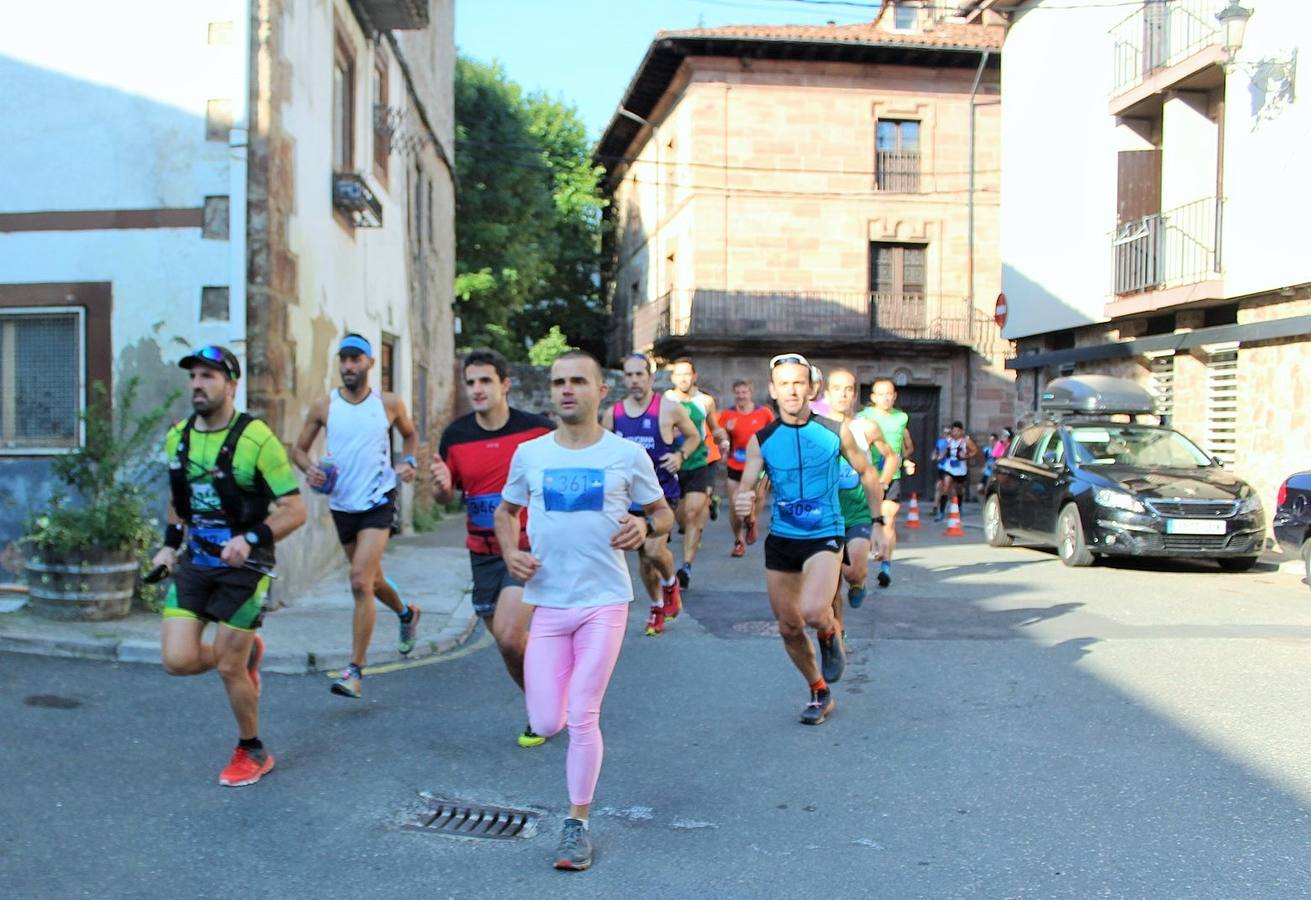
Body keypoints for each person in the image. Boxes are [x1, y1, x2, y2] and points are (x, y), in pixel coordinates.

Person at [495, 350, 674, 871]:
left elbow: (661, 513)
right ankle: (568, 718)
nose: (566, 390)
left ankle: (577, 825)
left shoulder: (625, 455)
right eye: (558, 382)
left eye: (578, 381)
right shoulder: (531, 455)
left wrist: (645, 527)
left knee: (582, 716)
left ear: (601, 391)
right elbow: (506, 513)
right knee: (546, 718)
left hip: (604, 602)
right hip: (548, 604)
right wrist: (511, 551)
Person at [152, 345, 307, 786]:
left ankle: (251, 749)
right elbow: (177, 502)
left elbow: (295, 510)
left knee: (227, 667)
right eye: (194, 376)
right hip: (197, 562)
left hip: (246, 568)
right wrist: (168, 545)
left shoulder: (256, 439)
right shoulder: (178, 437)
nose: (198, 384)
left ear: (231, 386)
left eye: (209, 376)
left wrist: (250, 538)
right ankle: (248, 652)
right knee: (177, 660)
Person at [733, 352, 887, 726]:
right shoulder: (763, 440)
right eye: (784, 383)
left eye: (798, 383)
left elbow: (867, 474)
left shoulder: (834, 432)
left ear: (811, 388)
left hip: (825, 533)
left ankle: (831, 632)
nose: (792, 390)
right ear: (773, 390)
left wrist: (879, 522)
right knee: (788, 626)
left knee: (816, 610)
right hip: (783, 538)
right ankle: (818, 690)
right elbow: (747, 489)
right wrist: (744, 508)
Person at [431, 349, 554, 747]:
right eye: (471, 383)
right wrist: (441, 490)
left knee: (506, 633)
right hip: (480, 552)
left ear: (505, 384)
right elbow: (446, 499)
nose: (477, 389)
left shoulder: (537, 431)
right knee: (509, 645)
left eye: (485, 381)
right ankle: (545, 695)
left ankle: (543, 708)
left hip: (523, 549)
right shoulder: (455, 436)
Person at [292, 334, 420, 699]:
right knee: (373, 580)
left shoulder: (389, 404)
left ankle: (354, 670)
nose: (349, 366)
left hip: (379, 500)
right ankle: (407, 614)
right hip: (341, 504)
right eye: (344, 359)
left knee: (359, 581)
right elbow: (299, 451)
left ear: (370, 364)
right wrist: (310, 469)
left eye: (355, 359)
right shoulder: (324, 406)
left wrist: (408, 461)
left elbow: (410, 437)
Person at [602, 352, 701, 636]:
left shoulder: (668, 408)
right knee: (644, 559)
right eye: (629, 375)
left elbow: (694, 436)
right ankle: (657, 605)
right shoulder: (614, 414)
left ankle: (671, 584)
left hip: (660, 494)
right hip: (627, 498)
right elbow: (601, 450)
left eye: (639, 374)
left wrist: (680, 456)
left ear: (651, 377)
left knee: (654, 549)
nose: (634, 380)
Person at [822, 370, 897, 614]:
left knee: (853, 571)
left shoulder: (867, 427)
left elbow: (891, 456)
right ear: (827, 393)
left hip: (858, 511)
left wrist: (881, 484)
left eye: (848, 389)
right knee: (830, 584)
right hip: (827, 514)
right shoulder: (818, 428)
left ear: (854, 394)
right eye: (837, 389)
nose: (843, 394)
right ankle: (837, 636)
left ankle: (858, 582)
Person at [665, 358, 728, 589]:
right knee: (681, 517)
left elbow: (714, 426)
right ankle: (704, 508)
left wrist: (723, 439)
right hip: (672, 465)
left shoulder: (705, 401)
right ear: (672, 378)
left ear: (695, 376)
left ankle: (686, 567)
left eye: (687, 374)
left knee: (692, 514)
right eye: (678, 374)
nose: (683, 378)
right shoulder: (665, 401)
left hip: (699, 462)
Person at [857, 379, 917, 590]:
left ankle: (885, 567)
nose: (886, 397)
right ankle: (860, 568)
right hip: (868, 474)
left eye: (889, 393)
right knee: (866, 522)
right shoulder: (863, 417)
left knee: (889, 520)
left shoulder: (901, 418)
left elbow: (904, 446)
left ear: (895, 396)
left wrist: (905, 459)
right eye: (881, 394)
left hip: (893, 475)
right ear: (873, 398)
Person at [718, 379, 774, 557]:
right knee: (736, 504)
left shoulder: (763, 413)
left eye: (744, 392)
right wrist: (724, 438)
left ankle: (751, 520)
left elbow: (774, 434)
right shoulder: (727, 415)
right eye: (738, 392)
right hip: (736, 463)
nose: (741, 396)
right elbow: (719, 438)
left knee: (758, 498)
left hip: (760, 464)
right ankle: (738, 540)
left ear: (751, 393)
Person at [939, 421, 979, 516]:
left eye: (957, 431)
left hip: (960, 469)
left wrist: (966, 456)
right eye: (953, 431)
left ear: (961, 431)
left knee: (959, 489)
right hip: (949, 467)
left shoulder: (966, 441)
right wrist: (941, 455)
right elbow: (944, 450)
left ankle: (959, 506)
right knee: (946, 486)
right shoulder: (949, 440)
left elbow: (975, 450)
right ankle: (941, 511)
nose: (955, 433)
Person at [932, 425, 952, 521]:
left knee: (946, 488)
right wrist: (934, 456)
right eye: (945, 433)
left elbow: (945, 453)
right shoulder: (940, 441)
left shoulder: (952, 443)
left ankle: (952, 507)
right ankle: (935, 507)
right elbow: (936, 451)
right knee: (939, 486)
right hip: (941, 467)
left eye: (948, 433)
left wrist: (941, 456)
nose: (946, 435)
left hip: (949, 468)